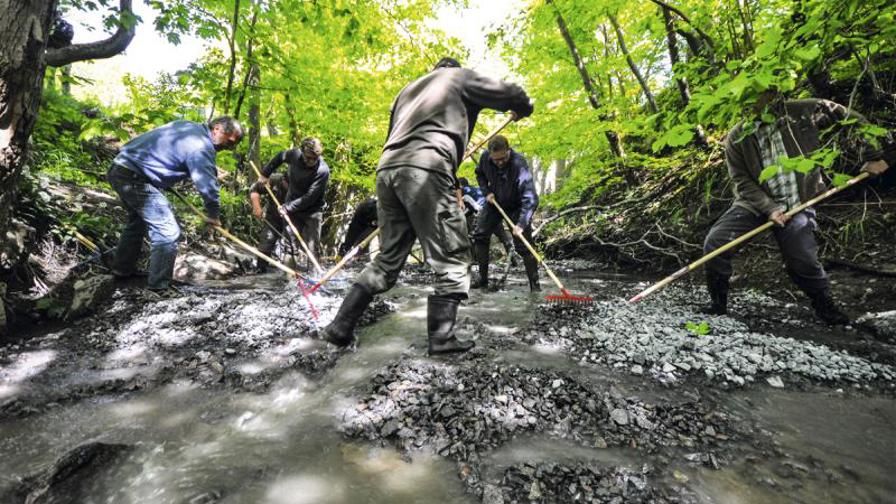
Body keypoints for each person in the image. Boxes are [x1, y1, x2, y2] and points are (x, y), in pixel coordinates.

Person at [322, 57, 533, 355]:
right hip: (427, 168)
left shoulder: (407, 91)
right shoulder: (457, 78)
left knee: (387, 258)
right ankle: (443, 338)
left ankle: (339, 327)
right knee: (453, 253)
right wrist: (523, 108)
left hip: (388, 171)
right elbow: (512, 95)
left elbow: (392, 136)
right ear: (451, 69)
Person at [703, 91, 890, 324]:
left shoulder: (804, 112)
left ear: (772, 93)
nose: (749, 104)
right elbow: (741, 180)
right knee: (716, 243)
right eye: (744, 100)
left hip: (800, 201)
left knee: (802, 259)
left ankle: (824, 305)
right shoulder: (737, 136)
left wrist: (873, 155)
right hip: (754, 203)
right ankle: (718, 305)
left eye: (754, 96)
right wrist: (769, 207)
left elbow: (853, 118)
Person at [107, 116, 243, 294]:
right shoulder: (201, 146)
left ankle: (122, 271)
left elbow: (166, 152)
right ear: (217, 128)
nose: (230, 147)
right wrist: (213, 214)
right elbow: (207, 184)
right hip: (134, 177)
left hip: (121, 168)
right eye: (230, 141)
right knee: (168, 232)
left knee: (137, 223)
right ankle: (158, 288)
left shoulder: (186, 126)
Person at [472, 135, 540, 292]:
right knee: (480, 235)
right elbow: (480, 174)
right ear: (490, 154)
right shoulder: (484, 158)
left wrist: (521, 224)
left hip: (516, 206)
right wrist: (486, 191)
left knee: (524, 246)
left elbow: (531, 198)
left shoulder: (519, 164)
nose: (500, 162)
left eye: (503, 158)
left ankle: (535, 287)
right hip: (494, 202)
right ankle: (482, 280)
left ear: (508, 150)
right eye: (496, 160)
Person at [258, 137, 329, 270]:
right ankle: (289, 277)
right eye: (308, 158)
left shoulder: (323, 170)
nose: (311, 161)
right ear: (302, 152)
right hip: (292, 209)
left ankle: (316, 277)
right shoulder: (294, 155)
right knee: (289, 244)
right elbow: (280, 157)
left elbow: (310, 197)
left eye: (315, 158)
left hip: (312, 211)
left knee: (312, 247)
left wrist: (287, 207)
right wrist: (265, 174)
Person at [458, 177, 516, 268]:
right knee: (503, 237)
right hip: (494, 211)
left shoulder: (463, 192)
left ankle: (475, 260)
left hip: (484, 213)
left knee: (476, 237)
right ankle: (513, 260)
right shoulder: (475, 189)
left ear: (460, 185)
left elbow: (470, 202)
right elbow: (470, 208)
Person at [249, 172, 289, 272]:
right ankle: (260, 270)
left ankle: (291, 274)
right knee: (266, 242)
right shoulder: (274, 179)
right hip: (273, 217)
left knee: (292, 247)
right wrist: (257, 207)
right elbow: (254, 189)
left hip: (293, 219)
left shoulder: (304, 185)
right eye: (285, 183)